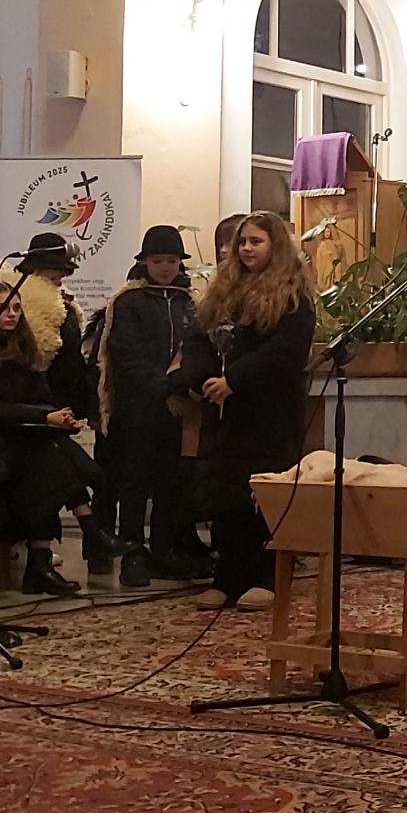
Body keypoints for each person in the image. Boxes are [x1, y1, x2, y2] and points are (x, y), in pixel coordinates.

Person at [0, 279, 128, 596]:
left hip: (28, 437)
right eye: (3, 307)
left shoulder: (25, 347)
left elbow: (41, 396)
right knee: (49, 463)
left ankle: (43, 565)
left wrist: (58, 418)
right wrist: (43, 418)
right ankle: (83, 533)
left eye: (17, 307)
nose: (12, 314)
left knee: (47, 462)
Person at [179, 212, 316, 611]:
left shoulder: (294, 296)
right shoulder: (224, 290)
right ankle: (227, 576)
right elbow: (199, 338)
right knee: (226, 493)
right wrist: (202, 377)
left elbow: (284, 353)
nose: (246, 249)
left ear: (275, 246)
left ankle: (265, 576)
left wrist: (235, 379)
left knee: (263, 495)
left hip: (268, 412)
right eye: (242, 242)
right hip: (225, 411)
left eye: (256, 241)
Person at [96, 225, 208, 587]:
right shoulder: (128, 302)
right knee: (135, 481)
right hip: (138, 406)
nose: (164, 267)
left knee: (170, 482)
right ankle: (133, 553)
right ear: (144, 261)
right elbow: (126, 355)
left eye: (171, 260)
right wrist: (163, 387)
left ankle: (164, 550)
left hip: (179, 406)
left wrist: (183, 384)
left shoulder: (189, 302)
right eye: (158, 260)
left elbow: (197, 348)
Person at [12, 233, 91, 417]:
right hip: (43, 399)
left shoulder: (62, 304)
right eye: (54, 278)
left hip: (58, 397)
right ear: (36, 271)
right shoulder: (26, 305)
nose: (59, 283)